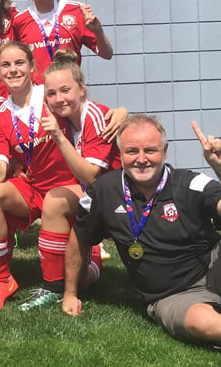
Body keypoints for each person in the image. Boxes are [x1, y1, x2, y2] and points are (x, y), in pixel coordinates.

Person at [63, 116, 221, 348]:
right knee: (203, 323)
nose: (141, 159)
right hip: (173, 294)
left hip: (212, 267)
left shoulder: (189, 183)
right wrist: (70, 293)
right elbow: (79, 237)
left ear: (165, 151)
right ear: (120, 153)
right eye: (131, 151)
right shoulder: (103, 191)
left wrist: (218, 166)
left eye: (150, 150)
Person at [0, 41, 76, 312]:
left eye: (19, 63)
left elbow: (87, 112)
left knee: (87, 276)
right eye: (6, 65)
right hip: (33, 186)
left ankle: (66, 273)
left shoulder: (50, 97)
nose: (13, 70)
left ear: (32, 67)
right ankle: (0, 280)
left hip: (69, 187)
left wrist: (118, 114)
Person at [20, 48, 124, 310]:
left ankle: (91, 260)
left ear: (82, 89)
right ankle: (54, 285)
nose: (58, 98)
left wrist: (57, 136)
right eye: (52, 93)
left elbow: (90, 175)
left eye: (65, 90)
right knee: (54, 200)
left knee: (55, 201)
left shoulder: (96, 117)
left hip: (116, 200)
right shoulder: (67, 118)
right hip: (94, 194)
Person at [13, 0, 113, 78]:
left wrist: (98, 31)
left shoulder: (76, 11)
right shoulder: (19, 20)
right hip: (37, 93)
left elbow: (107, 54)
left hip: (69, 91)